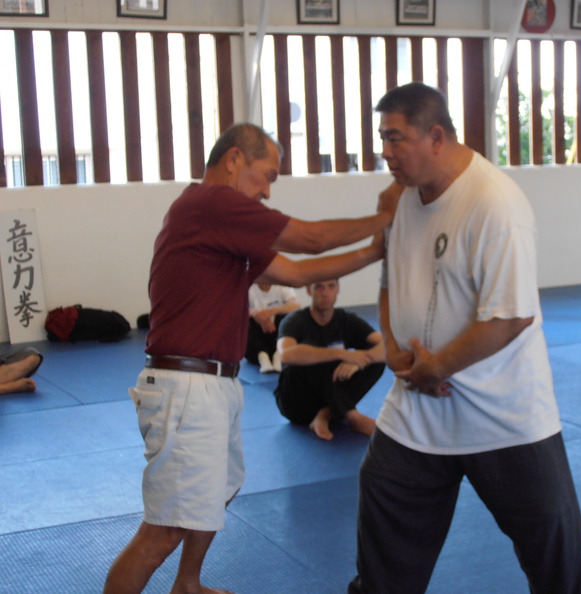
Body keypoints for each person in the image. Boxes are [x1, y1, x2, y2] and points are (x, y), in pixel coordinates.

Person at [103, 122, 398, 594]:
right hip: (187, 387)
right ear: (234, 158)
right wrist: (386, 218)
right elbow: (310, 239)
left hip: (216, 383)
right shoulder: (211, 203)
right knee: (162, 531)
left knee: (216, 492)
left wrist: (375, 250)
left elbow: (300, 271)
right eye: (266, 176)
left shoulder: (221, 228)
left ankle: (188, 584)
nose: (264, 191)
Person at [348, 83, 581, 593]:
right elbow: (391, 281)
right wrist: (396, 352)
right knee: (382, 511)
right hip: (419, 411)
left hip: (502, 415)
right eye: (382, 139)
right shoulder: (400, 198)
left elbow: (510, 317)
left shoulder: (495, 205)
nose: (385, 153)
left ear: (435, 136)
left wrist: (436, 368)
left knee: (555, 556)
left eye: (395, 139)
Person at [275, 278, 385, 440]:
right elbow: (286, 354)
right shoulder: (295, 321)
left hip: (332, 402)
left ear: (338, 289)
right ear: (308, 290)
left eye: (331, 286)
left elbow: (387, 345)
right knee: (310, 353)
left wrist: (363, 359)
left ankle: (325, 414)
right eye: (319, 287)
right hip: (297, 404)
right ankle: (352, 417)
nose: (325, 293)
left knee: (375, 359)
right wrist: (344, 354)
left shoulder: (347, 320)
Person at [244, 282, 300, 372]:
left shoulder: (281, 286)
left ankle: (277, 355)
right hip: (256, 344)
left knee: (285, 316)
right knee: (248, 319)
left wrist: (272, 311)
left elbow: (296, 306)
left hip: (276, 338)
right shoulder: (250, 287)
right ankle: (262, 356)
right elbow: (239, 307)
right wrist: (257, 315)